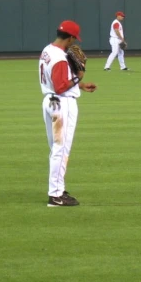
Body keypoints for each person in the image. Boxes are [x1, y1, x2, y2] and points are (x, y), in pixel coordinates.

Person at [39, 20, 97, 207]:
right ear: (70, 37)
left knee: (56, 149)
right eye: (74, 39)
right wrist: (78, 78)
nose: (75, 43)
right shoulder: (60, 58)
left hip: (50, 102)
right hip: (61, 105)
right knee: (61, 150)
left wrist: (80, 86)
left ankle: (58, 189)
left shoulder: (47, 50)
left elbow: (58, 82)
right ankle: (56, 195)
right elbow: (61, 85)